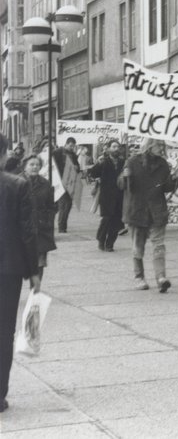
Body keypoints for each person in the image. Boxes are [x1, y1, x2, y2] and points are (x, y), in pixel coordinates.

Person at [0, 132, 41, 414]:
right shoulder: (17, 185)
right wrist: (34, 272)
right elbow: (28, 231)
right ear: (4, 154)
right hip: (8, 268)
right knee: (4, 331)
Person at [118, 138, 176, 292]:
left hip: (156, 210)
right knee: (138, 246)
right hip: (137, 209)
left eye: (163, 145)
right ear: (150, 146)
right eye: (159, 145)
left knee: (158, 245)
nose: (162, 147)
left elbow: (167, 187)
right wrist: (125, 176)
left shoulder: (163, 164)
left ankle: (161, 277)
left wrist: (174, 178)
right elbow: (121, 185)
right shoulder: (132, 162)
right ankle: (139, 277)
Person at [87, 138, 125, 252]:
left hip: (119, 195)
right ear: (108, 149)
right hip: (106, 195)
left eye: (118, 147)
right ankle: (101, 239)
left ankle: (110, 244)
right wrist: (98, 163)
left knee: (116, 221)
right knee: (106, 219)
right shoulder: (104, 161)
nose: (116, 149)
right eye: (113, 147)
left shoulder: (123, 162)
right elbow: (92, 173)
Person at [22, 155, 56, 280]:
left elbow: (51, 206)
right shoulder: (17, 182)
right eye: (31, 164)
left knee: (39, 264)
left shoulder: (45, 184)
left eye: (37, 164)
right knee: (20, 265)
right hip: (22, 229)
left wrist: (48, 220)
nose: (35, 167)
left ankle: (35, 294)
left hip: (41, 229)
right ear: (25, 167)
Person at [53, 137, 80, 233]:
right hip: (61, 182)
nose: (72, 148)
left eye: (73, 146)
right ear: (66, 143)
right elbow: (53, 166)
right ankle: (61, 227)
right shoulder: (58, 152)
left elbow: (78, 166)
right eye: (71, 146)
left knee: (68, 204)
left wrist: (76, 167)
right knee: (63, 204)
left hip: (70, 182)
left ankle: (63, 226)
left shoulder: (73, 154)